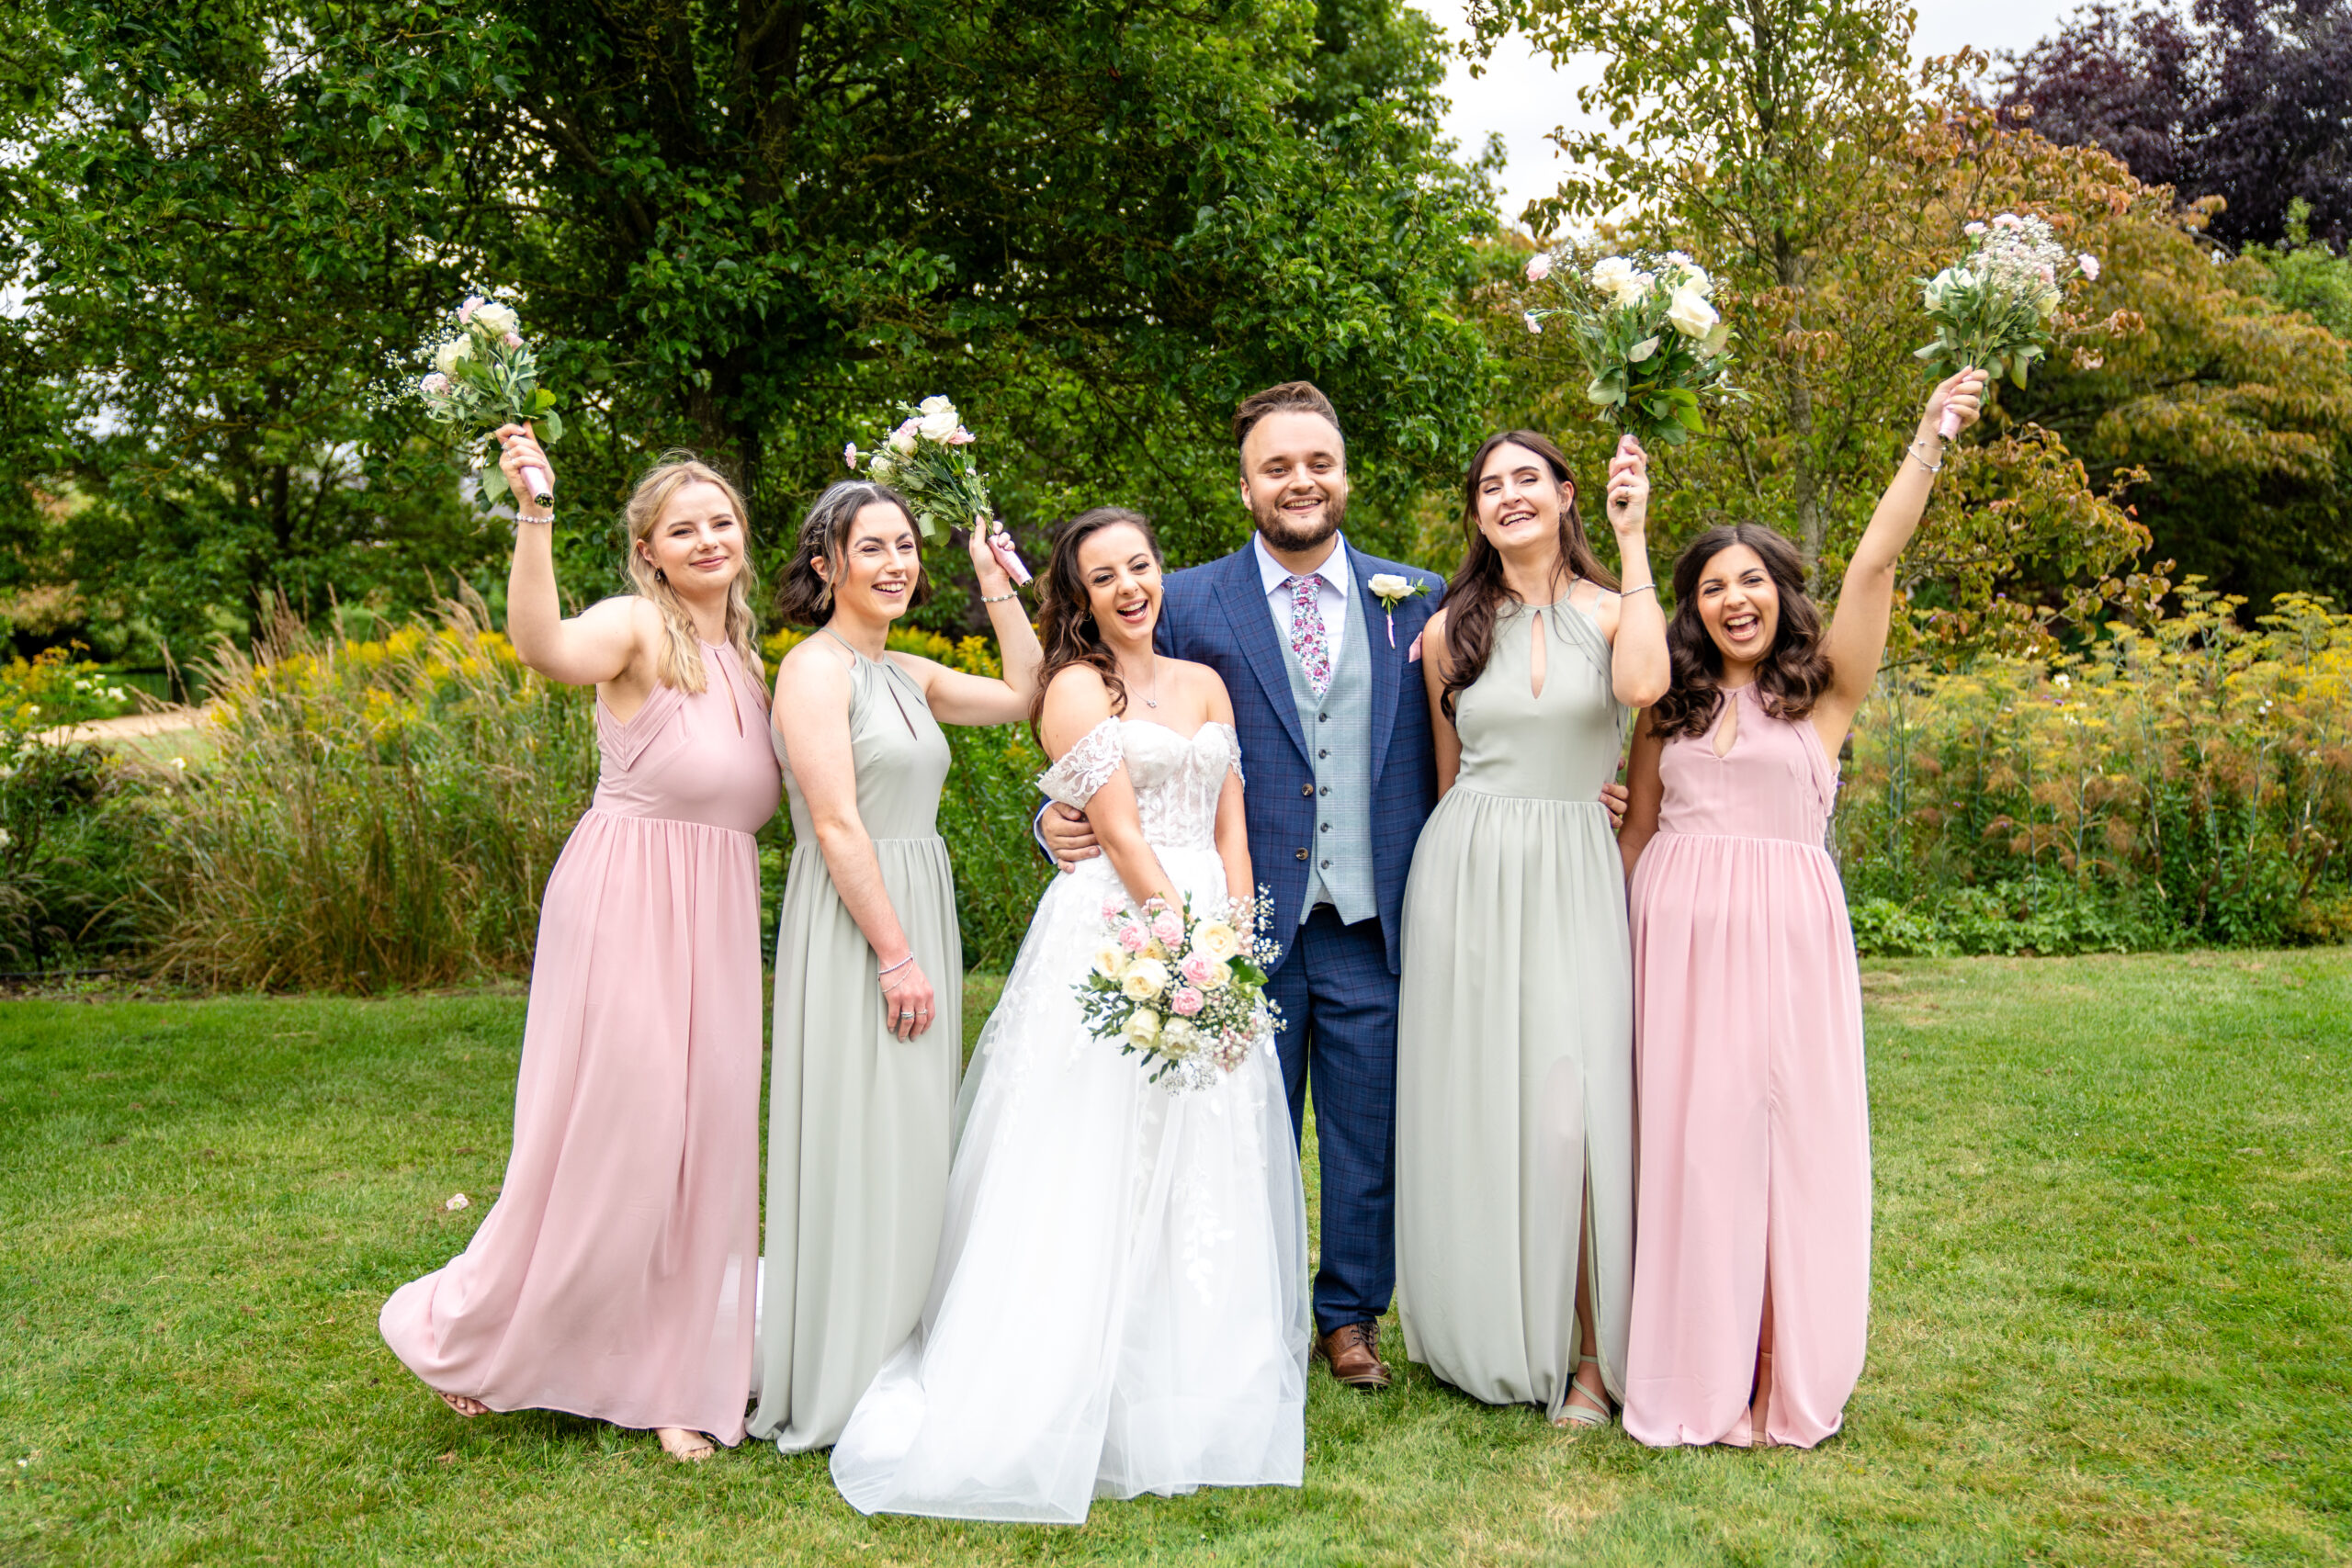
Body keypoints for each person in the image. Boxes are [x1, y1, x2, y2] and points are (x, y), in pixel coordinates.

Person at [1041, 383, 1628, 1389]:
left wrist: (1578, 786)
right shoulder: (1182, 598)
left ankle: (1348, 1316)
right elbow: (1100, 706)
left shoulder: (1422, 599)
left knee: (1369, 1131)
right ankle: (1236, 1307)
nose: (1300, 482)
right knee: (1230, 1125)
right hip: (1239, 915)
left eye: (1318, 463)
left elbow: (1495, 725)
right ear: (1245, 487)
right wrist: (1054, 814)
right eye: (1276, 467)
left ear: (1344, 473)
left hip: (1378, 915)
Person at [829, 508, 1308, 1523]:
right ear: (1078, 594)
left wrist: (1232, 946)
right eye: (1104, 575)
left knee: (1205, 1152)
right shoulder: (1075, 688)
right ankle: (1060, 1375)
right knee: (1090, 1145)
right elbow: (1123, 835)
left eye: (1141, 563)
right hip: (1119, 928)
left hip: (1208, 930)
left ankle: (1196, 1387)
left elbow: (1229, 822)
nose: (1130, 585)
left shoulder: (1206, 682)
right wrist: (1182, 951)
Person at [379, 432, 780, 1461]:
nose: (707, 539)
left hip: (720, 914)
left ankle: (677, 1372)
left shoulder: (748, 656)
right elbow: (544, 648)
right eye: (681, 528)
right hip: (627, 902)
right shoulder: (636, 628)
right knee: (627, 1132)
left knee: (707, 1143)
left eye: (720, 522)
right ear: (647, 551)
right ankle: (480, 1335)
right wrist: (534, 513)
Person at [1617, 368, 1989, 1449]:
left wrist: (1927, 434)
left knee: (1786, 1146)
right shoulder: (1666, 709)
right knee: (1691, 1154)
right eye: (1713, 587)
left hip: (1786, 944)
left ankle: (1783, 1368)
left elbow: (1875, 562)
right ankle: (1693, 1369)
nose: (1735, 599)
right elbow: (1636, 832)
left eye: (1753, 582)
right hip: (1673, 941)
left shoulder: (1823, 695)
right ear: (1690, 606)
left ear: (1780, 591)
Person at [750, 487, 1043, 1452]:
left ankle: (899, 1338)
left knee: (910, 1135)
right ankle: (841, 1367)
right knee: (856, 1127)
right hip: (859, 926)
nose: (894, 563)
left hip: (914, 901)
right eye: (868, 547)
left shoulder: (909, 672)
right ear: (825, 565)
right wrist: (894, 955)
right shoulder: (813, 671)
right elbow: (834, 824)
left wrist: (996, 581)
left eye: (907, 547)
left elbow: (1026, 697)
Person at [1393, 430, 1668, 1432]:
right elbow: (1442, 775)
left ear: (1563, 496)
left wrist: (1634, 539)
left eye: (1527, 480)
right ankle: (1494, 1332)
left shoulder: (1615, 611)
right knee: (1486, 1102)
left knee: (1573, 1112)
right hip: (1465, 870)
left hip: (1573, 870)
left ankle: (1593, 1359)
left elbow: (1642, 691)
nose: (1507, 497)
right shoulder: (1445, 632)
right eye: (1488, 487)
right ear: (1474, 513)